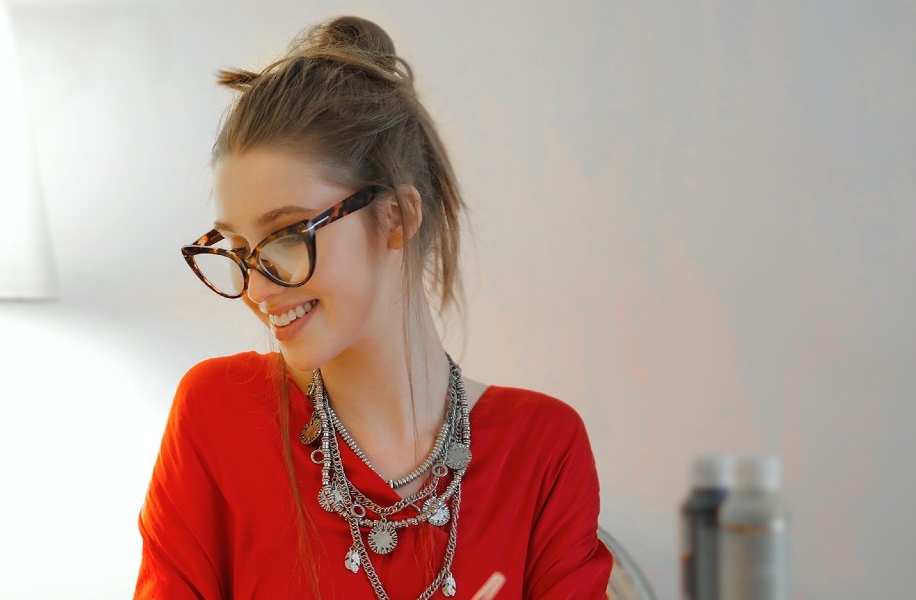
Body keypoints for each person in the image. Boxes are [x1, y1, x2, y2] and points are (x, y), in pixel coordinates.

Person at [136, 16, 613, 599]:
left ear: (397, 217)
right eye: (238, 248)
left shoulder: (541, 448)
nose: (257, 289)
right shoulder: (219, 413)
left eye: (287, 234)